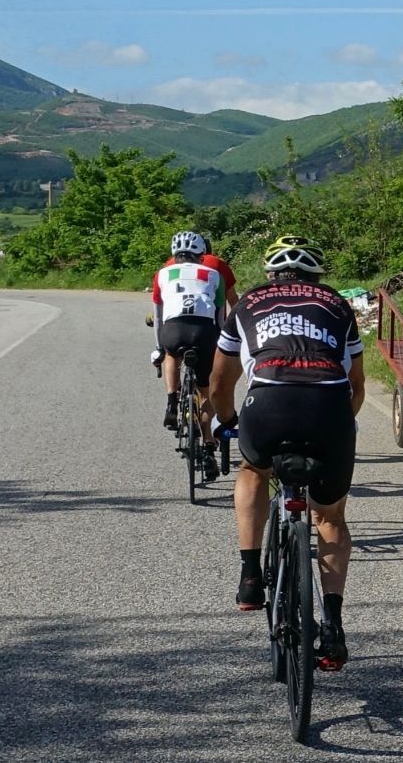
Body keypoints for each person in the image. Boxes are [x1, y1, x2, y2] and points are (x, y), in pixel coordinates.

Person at [210, 235, 364, 670]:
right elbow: (357, 386)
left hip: (269, 406)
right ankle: (332, 628)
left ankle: (250, 576)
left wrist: (226, 422)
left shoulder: (248, 305)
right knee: (329, 517)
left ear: (270, 276)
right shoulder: (337, 305)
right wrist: (339, 424)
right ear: (316, 277)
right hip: (328, 406)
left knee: (253, 470)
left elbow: (221, 383)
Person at [152, 231, 230, 445]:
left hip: (173, 330)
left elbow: (158, 317)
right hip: (204, 332)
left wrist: (159, 347)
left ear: (174, 254)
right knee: (206, 391)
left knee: (170, 354)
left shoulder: (163, 274)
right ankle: (207, 440)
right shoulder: (214, 275)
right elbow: (220, 318)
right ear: (201, 254)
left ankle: (171, 400)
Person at [150, 229, 239, 375]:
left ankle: (172, 394)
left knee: (170, 353)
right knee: (208, 364)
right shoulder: (218, 265)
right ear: (203, 253)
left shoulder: (169, 266)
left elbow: (167, 295)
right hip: (207, 326)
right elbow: (232, 299)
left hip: (174, 325)